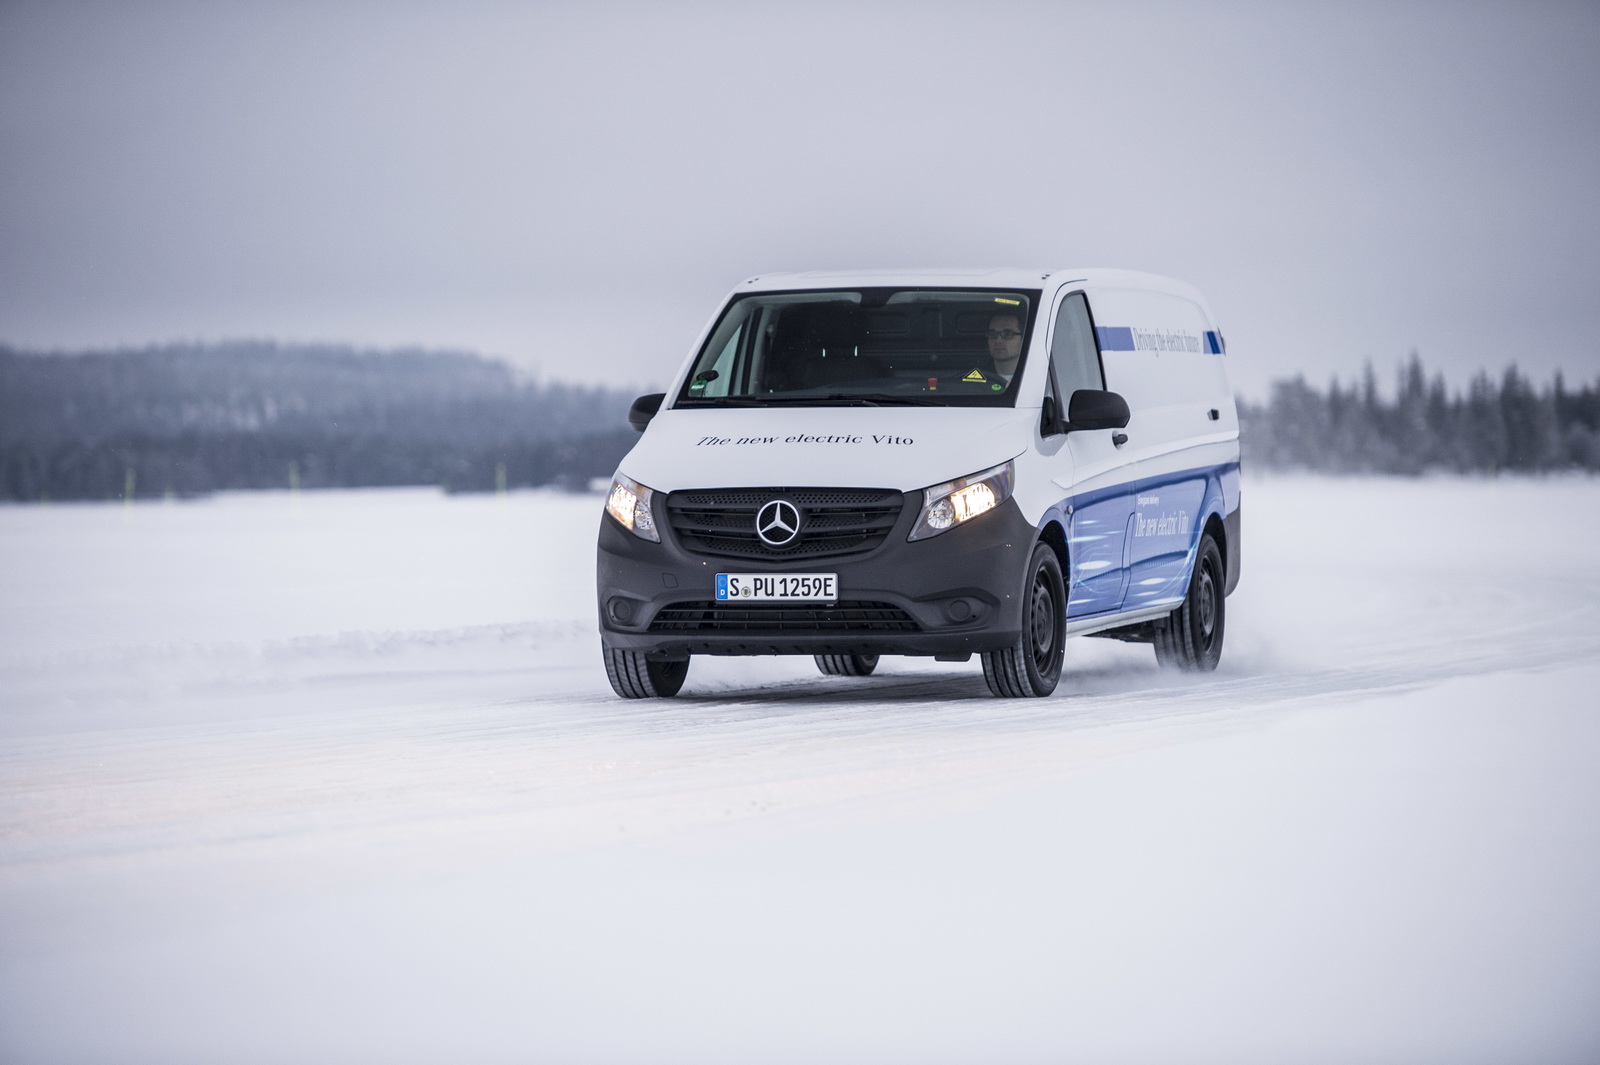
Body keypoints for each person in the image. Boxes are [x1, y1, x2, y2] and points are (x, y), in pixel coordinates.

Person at [987, 312, 1025, 383]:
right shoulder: (977, 378)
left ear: (1023, 338)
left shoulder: (1038, 376)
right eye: (993, 334)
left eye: (1007, 334)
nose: (998, 340)